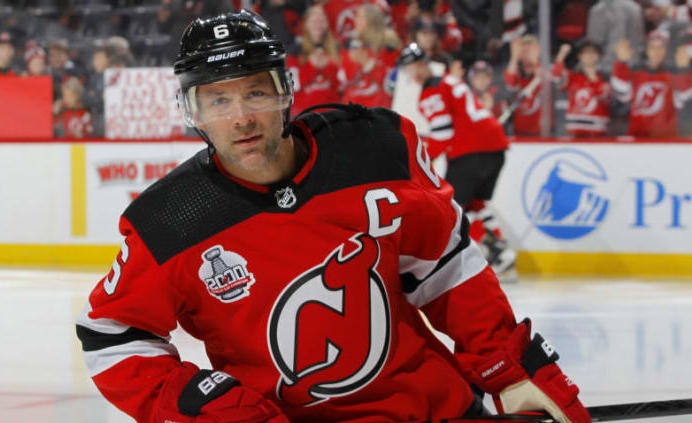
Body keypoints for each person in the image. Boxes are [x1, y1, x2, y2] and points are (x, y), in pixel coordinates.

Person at [76, 9, 590, 423]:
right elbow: (111, 335)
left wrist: (509, 368)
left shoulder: (374, 150)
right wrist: (201, 403)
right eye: (217, 100)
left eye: (256, 91)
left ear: (284, 92)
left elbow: (447, 266)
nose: (241, 118)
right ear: (194, 112)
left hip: (436, 411)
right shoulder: (171, 219)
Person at [406, 43, 516, 280]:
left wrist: (419, 160)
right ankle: (503, 253)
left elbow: (443, 134)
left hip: (471, 150)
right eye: (408, 68)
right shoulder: (447, 81)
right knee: (474, 204)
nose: (412, 72)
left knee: (453, 206)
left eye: (414, 66)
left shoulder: (431, 91)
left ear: (424, 64)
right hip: (495, 147)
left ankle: (495, 252)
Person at [611, 30, 692, 138]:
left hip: (665, 140)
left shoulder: (673, 74)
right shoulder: (635, 73)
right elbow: (621, 93)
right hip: (637, 138)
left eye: (661, 47)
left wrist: (683, 70)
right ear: (647, 50)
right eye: (653, 47)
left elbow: (685, 97)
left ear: (667, 50)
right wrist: (621, 63)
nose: (657, 52)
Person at [286, 5, 341, 116]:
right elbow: (293, 85)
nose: (318, 23)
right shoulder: (295, 51)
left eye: (321, 19)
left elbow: (342, 84)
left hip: (332, 113)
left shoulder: (337, 49)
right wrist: (313, 65)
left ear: (327, 23)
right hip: (304, 113)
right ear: (306, 24)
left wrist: (327, 65)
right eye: (314, 19)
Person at [552, 39, 611, 137]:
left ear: (599, 56)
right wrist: (561, 56)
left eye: (593, 53)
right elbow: (556, 78)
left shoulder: (605, 79)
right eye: (586, 53)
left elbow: (605, 98)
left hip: (598, 132)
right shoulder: (573, 77)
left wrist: (594, 80)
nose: (589, 56)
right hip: (575, 131)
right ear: (580, 56)